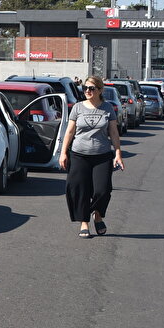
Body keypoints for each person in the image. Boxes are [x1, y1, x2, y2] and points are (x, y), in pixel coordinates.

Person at [58, 76, 124, 239]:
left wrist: (118, 153)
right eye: (85, 88)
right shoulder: (78, 108)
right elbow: (70, 131)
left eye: (92, 88)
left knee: (102, 190)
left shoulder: (107, 108)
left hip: (102, 156)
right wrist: (63, 152)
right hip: (79, 155)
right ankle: (84, 222)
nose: (87, 91)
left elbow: (114, 132)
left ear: (100, 90)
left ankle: (98, 214)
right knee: (80, 190)